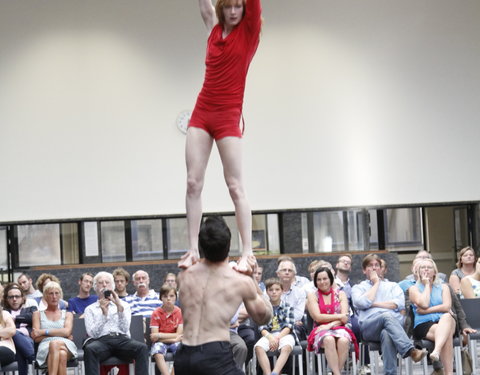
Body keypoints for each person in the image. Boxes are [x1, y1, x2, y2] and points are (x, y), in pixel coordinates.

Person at [179, 0, 263, 274]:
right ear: (221, 9)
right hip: (202, 111)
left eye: (239, 6)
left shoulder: (249, 32)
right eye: (229, 7)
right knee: (193, 182)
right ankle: (192, 249)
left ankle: (247, 252)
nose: (235, 12)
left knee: (235, 185)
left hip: (228, 115)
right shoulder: (213, 29)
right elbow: (204, 5)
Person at [173, 216, 272, 375]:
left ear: (202, 246)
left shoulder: (184, 276)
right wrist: (252, 278)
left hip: (184, 356)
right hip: (214, 355)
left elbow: (192, 197)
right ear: (229, 244)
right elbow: (264, 317)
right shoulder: (238, 280)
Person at [352, 254, 427, 375]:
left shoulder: (393, 286)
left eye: (377, 265)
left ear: (382, 269)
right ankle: (410, 350)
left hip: (390, 327)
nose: (374, 268)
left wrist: (373, 304)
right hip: (369, 327)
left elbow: (398, 304)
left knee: (387, 333)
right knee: (386, 316)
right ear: (364, 270)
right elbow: (361, 302)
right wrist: (376, 283)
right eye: (370, 266)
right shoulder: (358, 287)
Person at [83, 271, 149, 375]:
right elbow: (93, 334)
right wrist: (104, 315)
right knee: (90, 349)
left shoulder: (124, 305)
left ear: (113, 286)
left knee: (142, 348)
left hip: (122, 340)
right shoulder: (90, 309)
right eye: (101, 282)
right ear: (95, 287)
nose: (104, 285)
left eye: (107, 282)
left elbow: (124, 328)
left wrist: (119, 309)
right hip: (101, 341)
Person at [409, 258, 456, 375]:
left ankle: (436, 350)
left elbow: (446, 307)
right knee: (446, 333)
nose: (426, 269)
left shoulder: (444, 287)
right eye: (422, 268)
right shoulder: (413, 289)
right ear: (418, 272)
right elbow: (423, 303)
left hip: (445, 320)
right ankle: (448, 373)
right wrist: (426, 285)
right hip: (424, 324)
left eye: (429, 267)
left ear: (435, 272)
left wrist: (426, 311)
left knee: (447, 317)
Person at [307, 267, 357, 375]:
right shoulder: (312, 295)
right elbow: (318, 317)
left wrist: (330, 325)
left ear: (331, 279)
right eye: (318, 279)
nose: (322, 282)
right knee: (329, 339)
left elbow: (345, 318)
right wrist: (339, 317)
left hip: (339, 327)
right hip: (320, 329)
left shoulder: (341, 294)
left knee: (343, 341)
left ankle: (335, 372)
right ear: (315, 281)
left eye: (325, 278)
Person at [31, 281, 77, 375]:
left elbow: (67, 332)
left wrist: (43, 331)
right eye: (51, 293)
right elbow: (36, 338)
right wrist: (61, 335)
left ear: (60, 295)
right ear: (45, 296)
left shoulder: (68, 314)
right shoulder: (37, 314)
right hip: (45, 348)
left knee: (54, 343)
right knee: (61, 354)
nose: (54, 296)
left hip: (66, 345)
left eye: (57, 293)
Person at [254, 277, 295, 375]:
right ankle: (267, 373)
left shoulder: (288, 306)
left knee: (286, 347)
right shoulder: (264, 308)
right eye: (271, 290)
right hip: (268, 335)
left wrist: (277, 339)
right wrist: (271, 338)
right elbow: (262, 327)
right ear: (267, 292)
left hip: (284, 334)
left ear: (282, 291)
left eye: (277, 289)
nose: (274, 292)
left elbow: (288, 327)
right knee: (258, 347)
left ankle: (275, 372)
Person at [2, 283, 36, 375]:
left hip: (28, 341)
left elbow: (33, 317)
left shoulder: (30, 309)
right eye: (11, 297)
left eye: (17, 296)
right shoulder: (4, 312)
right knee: (15, 335)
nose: (14, 299)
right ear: (7, 299)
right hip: (12, 344)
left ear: (22, 298)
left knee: (14, 333)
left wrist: (15, 318)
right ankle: (33, 358)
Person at [150, 284, 183, 375]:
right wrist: (173, 339)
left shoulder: (179, 312)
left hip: (174, 342)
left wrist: (160, 335)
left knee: (182, 350)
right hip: (162, 342)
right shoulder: (156, 313)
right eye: (165, 296)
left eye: (171, 296)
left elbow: (179, 334)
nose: (168, 299)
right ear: (161, 298)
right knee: (157, 352)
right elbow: (154, 337)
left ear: (176, 298)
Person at [276, 259, 307, 340]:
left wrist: (282, 321)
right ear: (278, 274)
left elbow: (298, 314)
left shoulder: (300, 292)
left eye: (290, 270)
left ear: (294, 274)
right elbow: (268, 313)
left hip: (294, 327)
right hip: (274, 326)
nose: (287, 272)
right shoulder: (269, 291)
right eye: (284, 270)